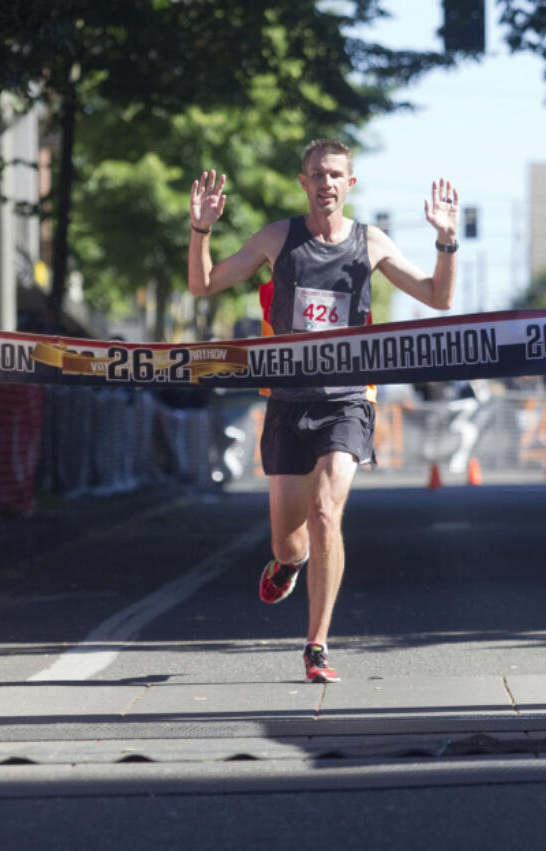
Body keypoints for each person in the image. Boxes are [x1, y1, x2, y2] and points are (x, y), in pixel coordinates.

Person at [188, 139, 459, 682]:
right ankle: (290, 563)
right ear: (303, 181)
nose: (326, 184)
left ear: (349, 184)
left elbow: (438, 297)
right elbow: (204, 284)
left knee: (326, 512)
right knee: (288, 539)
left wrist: (447, 243)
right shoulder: (278, 238)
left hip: (348, 399)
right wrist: (201, 232)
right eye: (317, 175)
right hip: (288, 401)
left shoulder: (370, 241)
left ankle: (317, 643)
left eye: (336, 175)